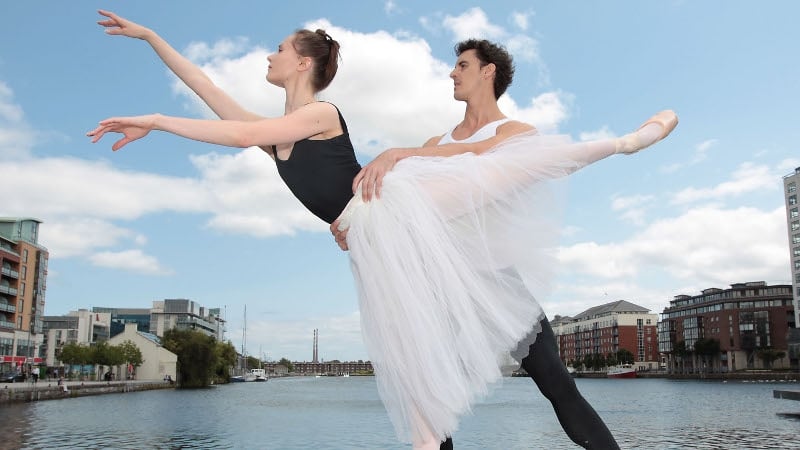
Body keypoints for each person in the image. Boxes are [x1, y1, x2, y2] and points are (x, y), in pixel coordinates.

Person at [89, 10, 457, 449]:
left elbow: (242, 135)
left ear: (303, 63)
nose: (269, 54)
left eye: (280, 48)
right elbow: (207, 88)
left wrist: (155, 119)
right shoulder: (278, 136)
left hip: (391, 232)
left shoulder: (320, 113)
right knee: (410, 372)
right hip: (367, 243)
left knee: (414, 367)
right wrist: (151, 36)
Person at [330, 39, 677, 449]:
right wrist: (354, 222)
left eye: (462, 65)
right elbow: (396, 203)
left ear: (488, 71)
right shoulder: (431, 145)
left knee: (557, 384)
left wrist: (396, 154)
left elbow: (488, 156)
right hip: (441, 286)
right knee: (427, 404)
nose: (452, 73)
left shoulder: (512, 132)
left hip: (497, 283)